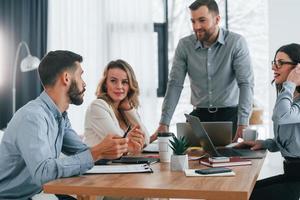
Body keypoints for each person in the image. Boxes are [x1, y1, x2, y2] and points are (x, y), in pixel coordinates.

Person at [0, 51, 129, 200]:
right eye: (80, 75)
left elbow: (81, 152)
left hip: (33, 195)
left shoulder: (60, 117)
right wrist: (97, 152)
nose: (84, 83)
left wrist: (112, 149)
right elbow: (43, 172)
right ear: (66, 78)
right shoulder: (32, 117)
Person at [155, 0, 254, 142]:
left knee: (230, 161)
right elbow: (175, 84)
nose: (196, 27)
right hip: (199, 117)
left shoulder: (236, 43)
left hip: (230, 116)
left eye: (202, 20)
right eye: (193, 21)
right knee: (191, 160)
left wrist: (243, 122)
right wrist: (164, 122)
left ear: (217, 19)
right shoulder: (185, 45)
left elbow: (245, 84)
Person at [236, 43, 300, 200]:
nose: (274, 67)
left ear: (297, 68)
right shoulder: (290, 98)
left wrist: (290, 83)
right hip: (293, 175)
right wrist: (266, 144)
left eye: (280, 63)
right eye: (274, 62)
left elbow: (281, 116)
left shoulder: (289, 97)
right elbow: (293, 142)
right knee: (242, 193)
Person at [84, 59, 149, 154]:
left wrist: (128, 109)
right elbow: (118, 143)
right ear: (105, 84)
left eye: (124, 82)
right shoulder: (97, 106)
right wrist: (131, 143)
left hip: (120, 165)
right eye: (113, 81)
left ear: (130, 86)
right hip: (101, 167)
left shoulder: (125, 111)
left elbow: (146, 141)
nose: (119, 86)